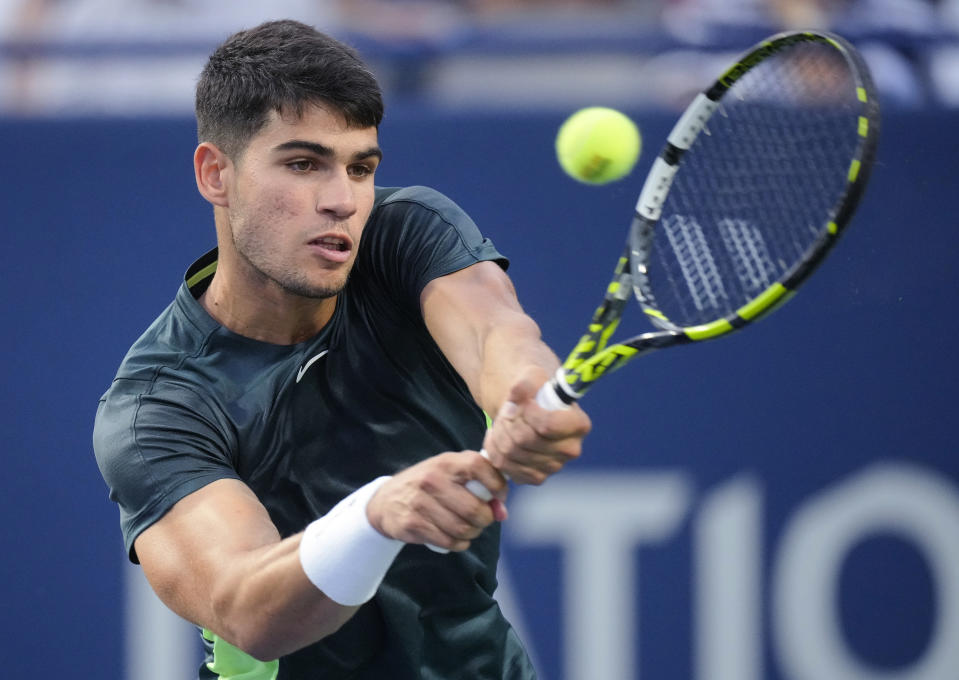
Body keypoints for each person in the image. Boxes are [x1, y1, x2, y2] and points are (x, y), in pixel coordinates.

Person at [92, 18, 591, 680]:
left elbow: (496, 333)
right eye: (303, 164)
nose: (340, 201)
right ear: (217, 174)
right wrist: (375, 514)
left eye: (360, 168)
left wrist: (523, 396)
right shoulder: (157, 408)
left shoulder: (404, 235)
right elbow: (246, 609)